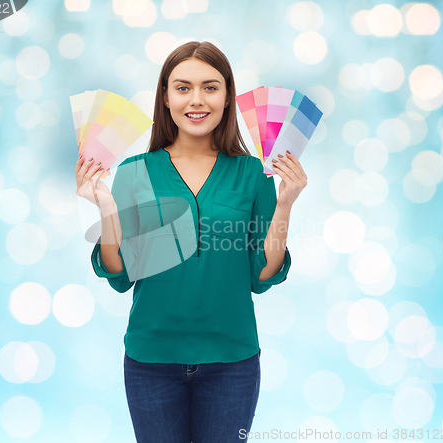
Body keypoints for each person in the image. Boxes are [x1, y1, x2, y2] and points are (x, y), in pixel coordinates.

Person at [75, 41, 307, 443]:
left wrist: (284, 204)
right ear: (165, 97)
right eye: (182, 87)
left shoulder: (253, 174)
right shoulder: (134, 172)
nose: (196, 99)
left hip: (232, 361)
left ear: (228, 96)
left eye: (210, 87)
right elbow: (120, 274)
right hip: (151, 361)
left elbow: (263, 274)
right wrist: (107, 211)